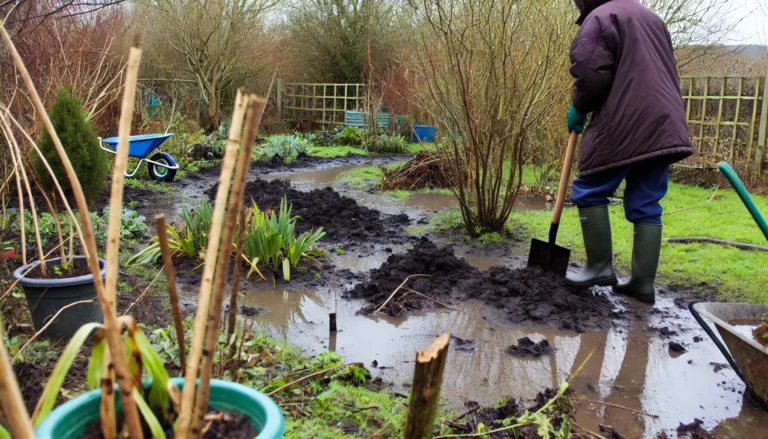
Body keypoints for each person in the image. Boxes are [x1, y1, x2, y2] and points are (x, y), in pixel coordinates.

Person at [564, 0, 692, 303]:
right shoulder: (651, 18)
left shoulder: (600, 18)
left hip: (627, 120)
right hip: (664, 123)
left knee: (589, 189)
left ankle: (599, 266)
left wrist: (579, 107)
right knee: (647, 201)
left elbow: (590, 74)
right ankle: (642, 283)